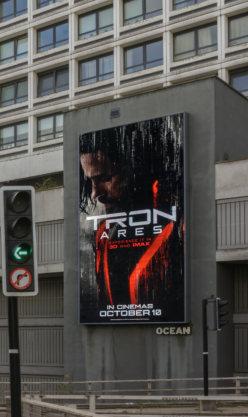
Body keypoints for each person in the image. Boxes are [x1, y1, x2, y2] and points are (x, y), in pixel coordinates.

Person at [78, 115, 186, 322]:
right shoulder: (104, 233)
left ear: (139, 166)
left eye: (105, 178)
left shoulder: (181, 223)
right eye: (90, 181)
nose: (95, 193)